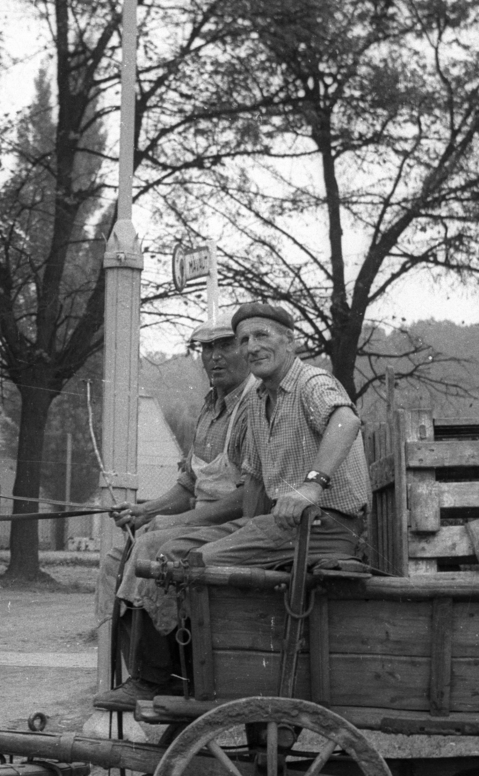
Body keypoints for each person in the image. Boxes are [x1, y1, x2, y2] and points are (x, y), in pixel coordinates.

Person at [93, 302, 369, 712]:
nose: (252, 347)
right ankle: (160, 678)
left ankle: (181, 679)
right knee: (166, 551)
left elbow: (346, 420)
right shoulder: (259, 402)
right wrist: (215, 526)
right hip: (279, 528)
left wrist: (312, 486)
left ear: (289, 341)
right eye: (245, 340)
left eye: (262, 336)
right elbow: (255, 484)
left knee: (195, 564)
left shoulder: (311, 382)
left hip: (325, 528)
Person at [99, 322, 257, 706]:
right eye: (206, 349)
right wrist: (145, 509)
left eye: (224, 346)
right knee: (112, 563)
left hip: (236, 527)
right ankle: (148, 669)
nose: (214, 357)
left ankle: (156, 678)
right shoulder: (208, 410)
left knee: (153, 547)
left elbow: (246, 498)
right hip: (200, 522)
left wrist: (176, 522)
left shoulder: (254, 407)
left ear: (247, 351)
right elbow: (189, 486)